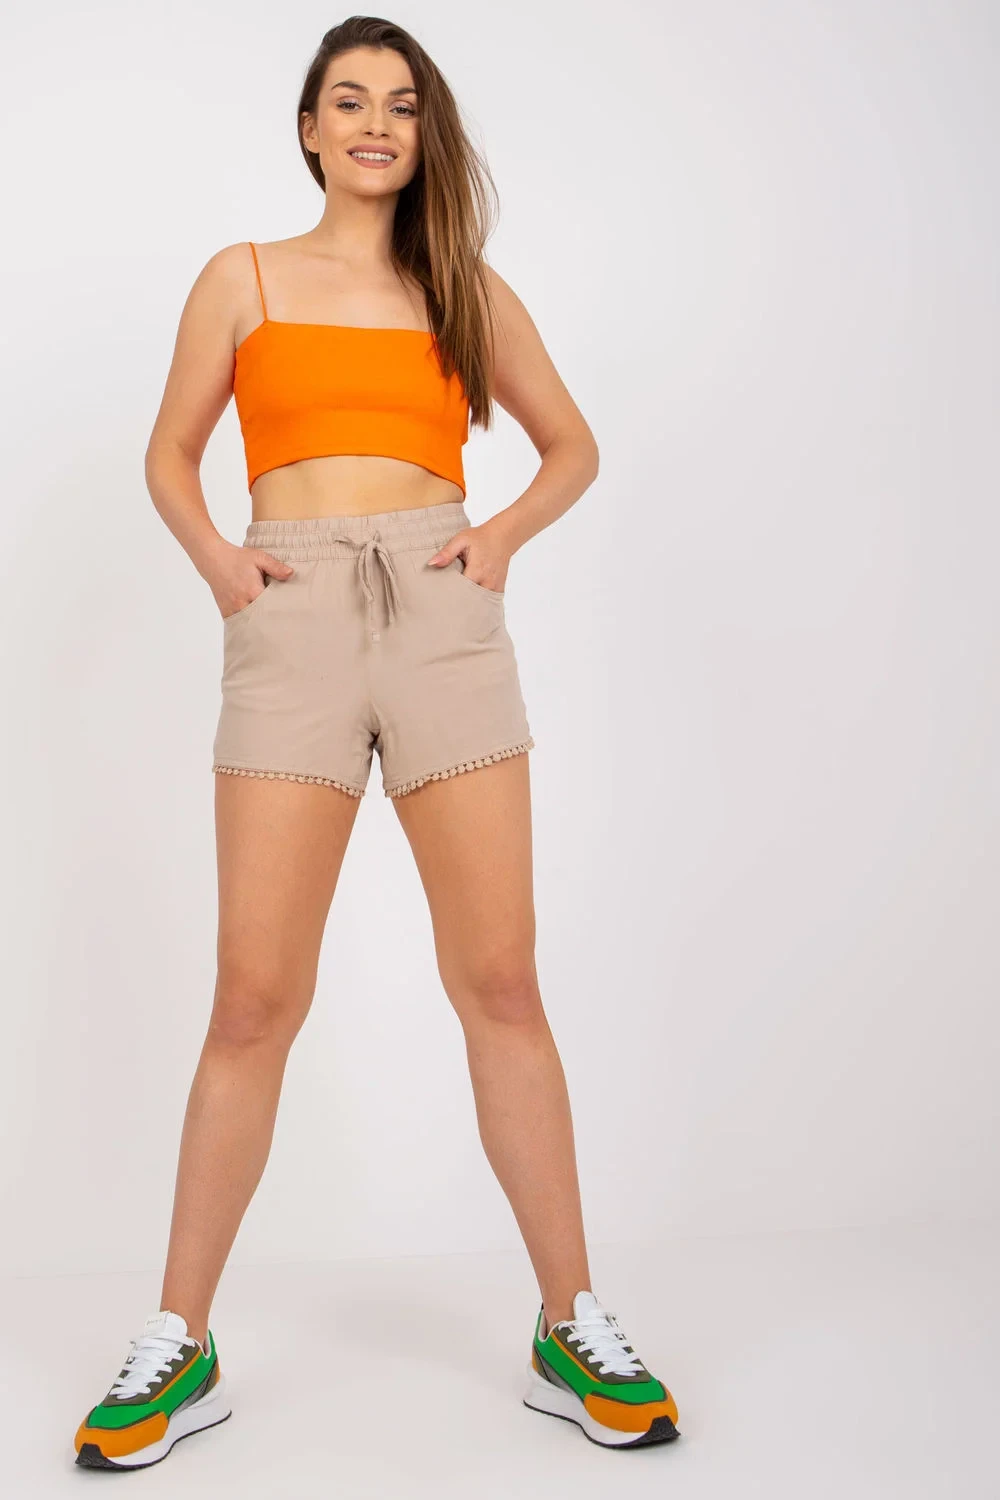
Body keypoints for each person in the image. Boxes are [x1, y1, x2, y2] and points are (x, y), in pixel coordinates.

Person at [72, 16, 680, 1469]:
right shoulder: (243, 277)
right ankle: (179, 1341)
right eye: (347, 102)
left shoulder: (462, 288)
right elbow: (168, 451)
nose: (373, 125)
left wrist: (498, 541)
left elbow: (574, 446)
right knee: (252, 997)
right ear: (308, 129)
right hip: (287, 614)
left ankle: (570, 1320)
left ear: (422, 134)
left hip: (441, 610)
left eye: (400, 107)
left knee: (500, 978)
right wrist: (221, 564)